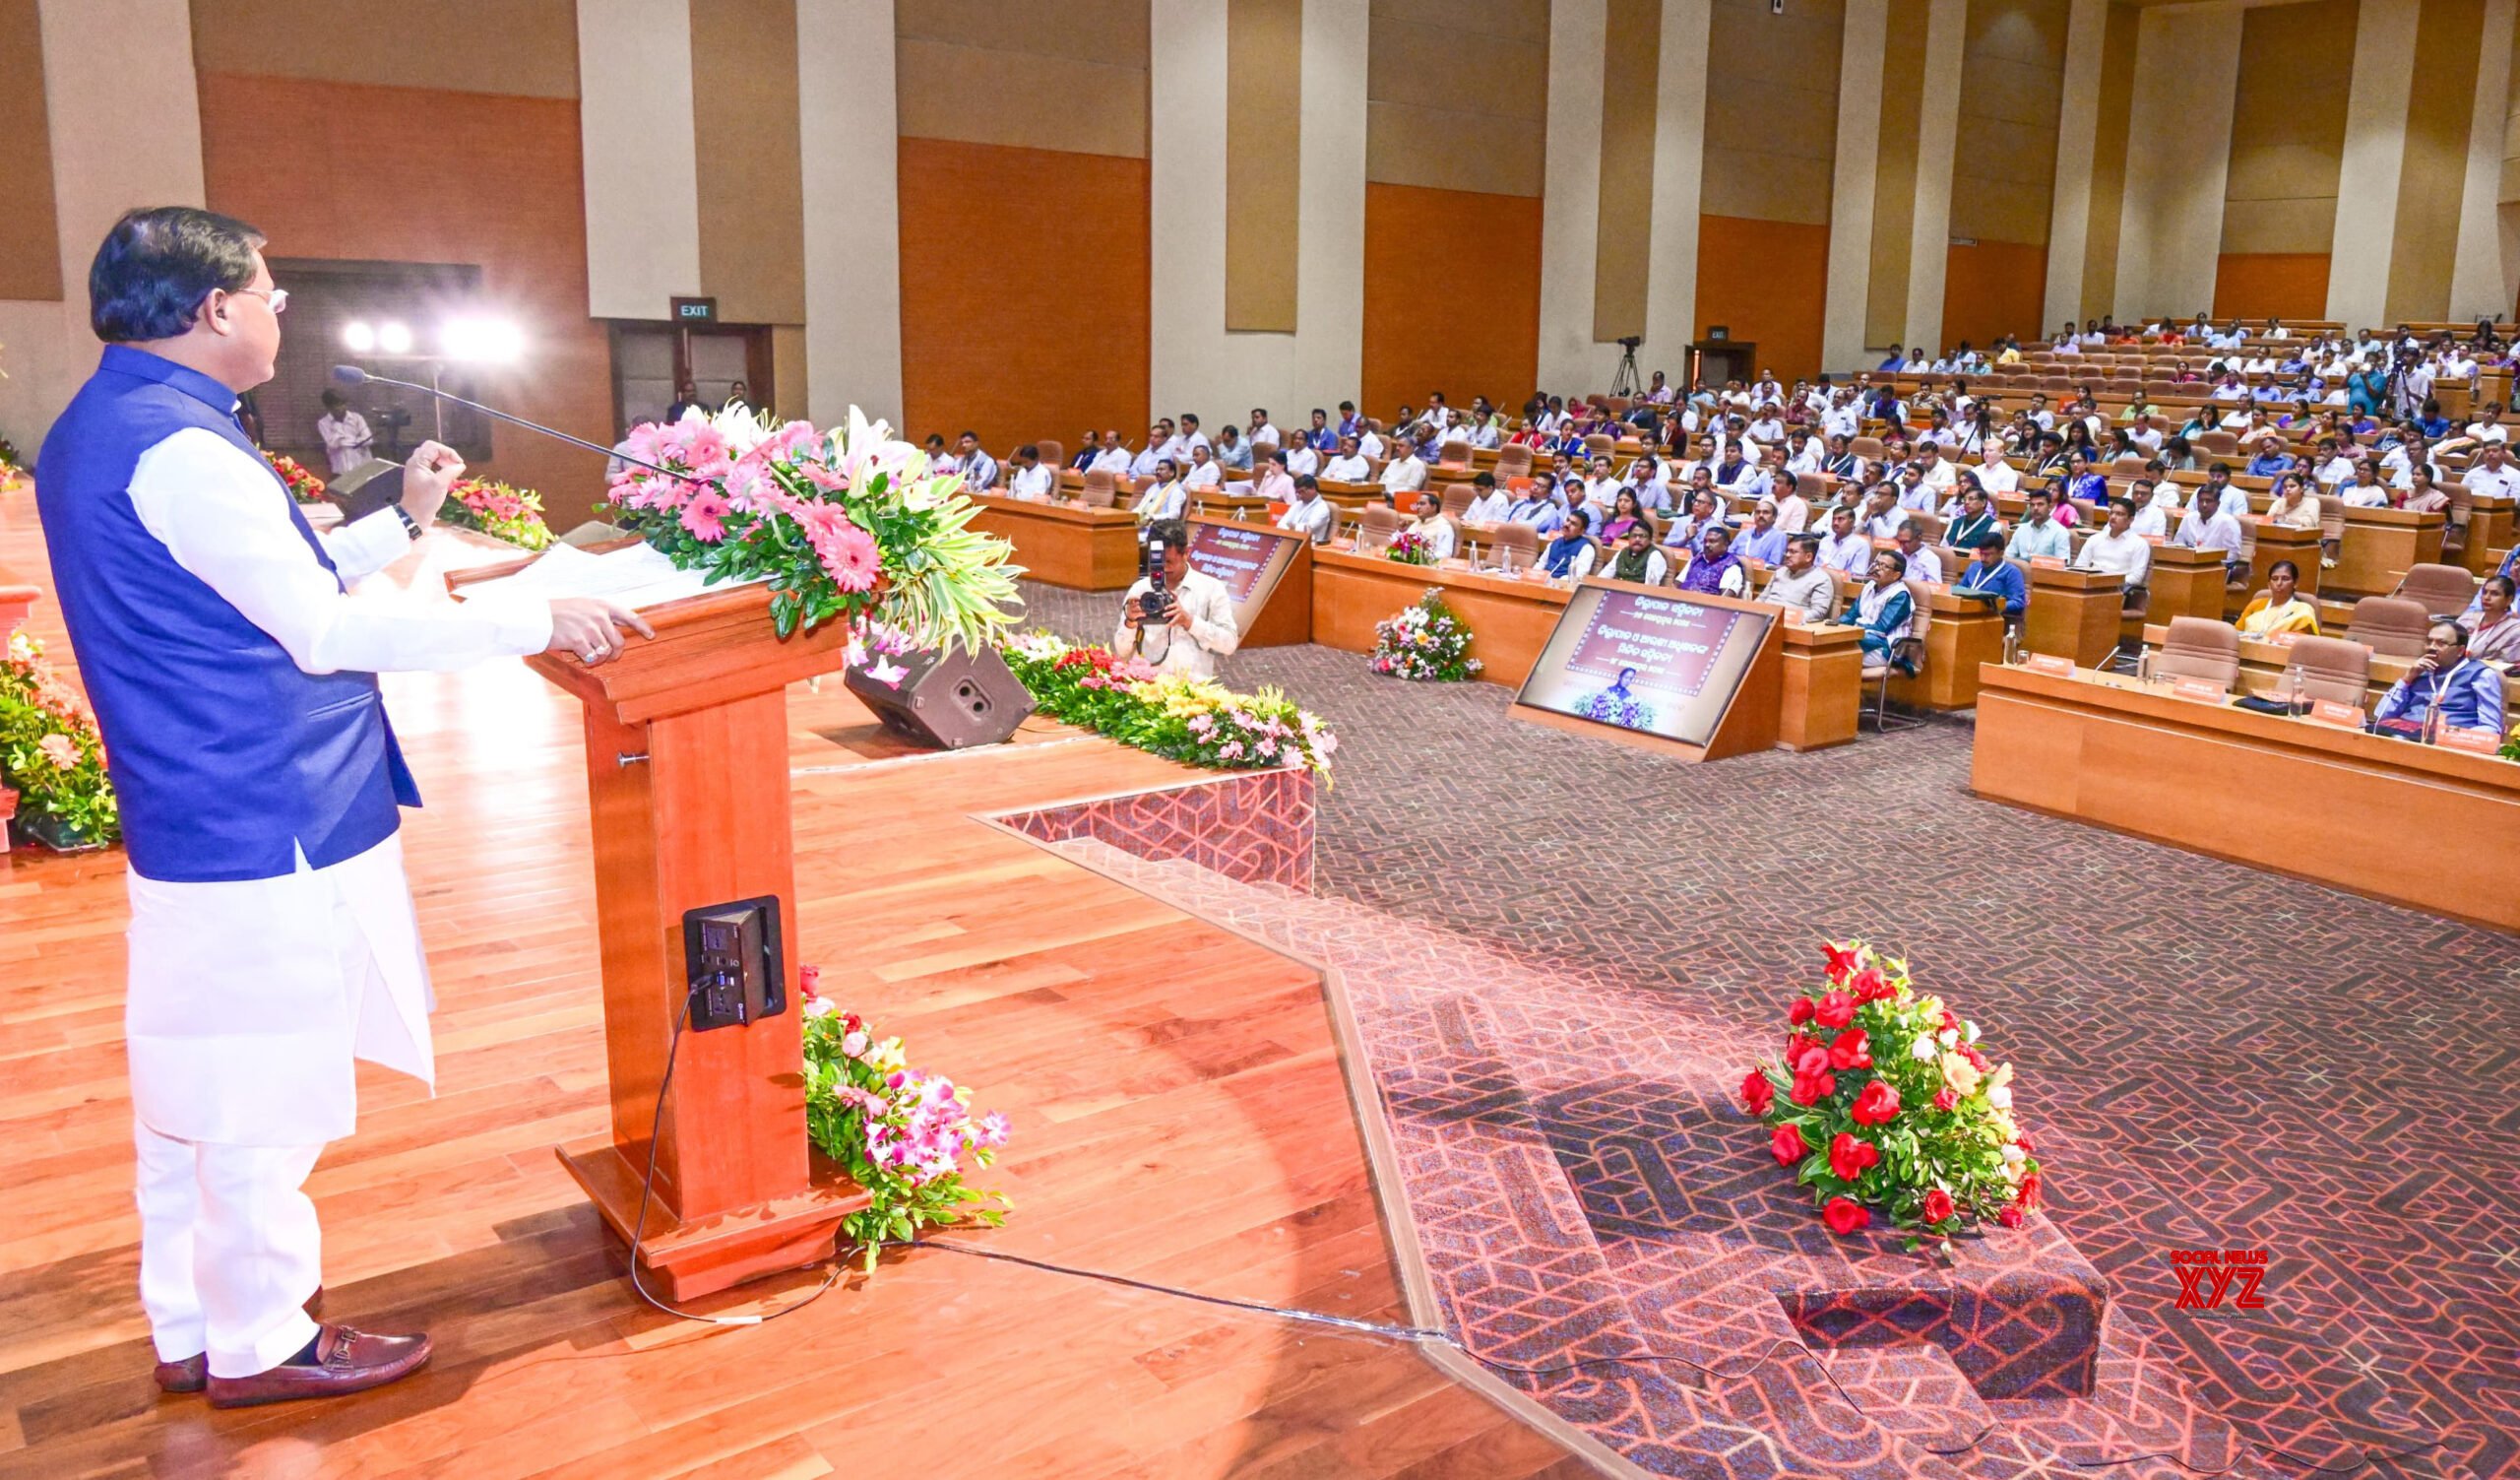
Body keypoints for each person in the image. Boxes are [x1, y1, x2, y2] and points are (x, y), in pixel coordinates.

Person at [34, 206, 650, 1407]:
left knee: (194, 1093)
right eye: (269, 295)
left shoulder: (109, 422)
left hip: (198, 798)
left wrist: (406, 522)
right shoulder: (185, 449)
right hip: (266, 809)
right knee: (259, 1095)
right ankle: (260, 1338)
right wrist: (529, 619)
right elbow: (317, 630)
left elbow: (255, 581)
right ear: (215, 308)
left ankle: (193, 1320)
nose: (279, 315)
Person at [1116, 519, 1239, 679]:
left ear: (1186, 553)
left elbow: (1229, 644)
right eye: (1157, 561)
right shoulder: (1140, 590)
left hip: (1192, 689)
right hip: (1147, 687)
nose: (1163, 568)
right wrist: (1130, 623)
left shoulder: (1211, 589)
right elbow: (1121, 651)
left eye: (1169, 561)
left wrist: (1189, 621)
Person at [2371, 619, 2505, 735]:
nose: (2432, 647)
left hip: (2450, 740)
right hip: (2405, 735)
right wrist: (2407, 679)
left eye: (2441, 643)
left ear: (2460, 650)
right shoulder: (2419, 670)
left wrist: (2457, 737)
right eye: (2429, 641)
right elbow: (2381, 715)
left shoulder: (2481, 675)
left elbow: (2491, 728)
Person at [2073, 497, 2152, 602]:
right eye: (2111, 513)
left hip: (2118, 591)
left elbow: (2136, 578)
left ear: (2131, 519)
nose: (2113, 517)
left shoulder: (2139, 544)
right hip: (2090, 588)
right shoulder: (2095, 539)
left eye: (2119, 514)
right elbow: (2079, 566)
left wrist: (2108, 582)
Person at [1850, 551, 1917, 670]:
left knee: (1839, 655)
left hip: (1886, 647)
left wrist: (1851, 632)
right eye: (1876, 563)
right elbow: (1852, 615)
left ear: (1896, 575)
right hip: (1863, 638)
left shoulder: (1900, 595)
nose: (1876, 568)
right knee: (1833, 648)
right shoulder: (1869, 586)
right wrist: (1834, 627)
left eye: (1883, 566)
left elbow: (1881, 629)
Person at [1760, 534, 1836, 622]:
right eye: (1787, 551)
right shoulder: (1780, 572)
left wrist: (1787, 618)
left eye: (1793, 552)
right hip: (1763, 619)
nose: (1787, 555)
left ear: (1808, 557)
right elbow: (1761, 599)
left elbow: (1818, 612)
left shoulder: (1821, 579)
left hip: (1789, 624)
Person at [2236, 559, 2320, 636]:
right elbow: (2237, 632)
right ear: (2269, 584)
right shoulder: (2256, 605)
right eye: (2275, 579)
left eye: (2285, 579)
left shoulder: (2302, 610)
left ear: (2295, 583)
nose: (2279, 583)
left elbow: (2298, 641)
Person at [1952, 533, 2027, 618]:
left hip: (1993, 617)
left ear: (2001, 553)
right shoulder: (1974, 567)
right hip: (1966, 612)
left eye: (1987, 555)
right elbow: (1960, 589)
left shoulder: (2011, 572)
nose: (1983, 558)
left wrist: (1994, 605)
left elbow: (2018, 602)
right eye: (1981, 553)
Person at [1675, 525, 1747, 597]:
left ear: (1726, 545)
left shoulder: (1731, 566)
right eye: (1705, 541)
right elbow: (1676, 585)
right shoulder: (1696, 559)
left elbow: (1725, 599)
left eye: (1712, 541)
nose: (1707, 545)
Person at [314, 390, 372, 477]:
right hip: (341, 470)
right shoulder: (323, 423)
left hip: (362, 467)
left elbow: (368, 440)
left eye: (341, 404)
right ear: (328, 407)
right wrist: (337, 426)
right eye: (335, 406)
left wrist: (344, 442)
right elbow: (332, 445)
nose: (339, 408)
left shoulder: (357, 418)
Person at [2464, 574, 2519, 664]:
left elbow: (2506, 664)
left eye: (2495, 594)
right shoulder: (2466, 619)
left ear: (2509, 600)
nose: (2487, 597)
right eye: (2484, 592)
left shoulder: (2515, 630)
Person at [2006, 489, 2072, 562]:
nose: (2035, 508)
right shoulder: (2022, 529)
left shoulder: (2060, 532)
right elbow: (2008, 556)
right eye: (2032, 505)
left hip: (2045, 569)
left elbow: (2062, 563)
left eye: (2040, 504)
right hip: (2020, 568)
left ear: (2050, 507)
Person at [1602, 520, 1670, 585]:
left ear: (1650, 539)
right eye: (1634, 536)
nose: (1637, 539)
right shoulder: (1622, 552)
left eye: (1642, 536)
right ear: (1629, 538)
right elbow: (1604, 576)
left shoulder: (1655, 556)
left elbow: (1650, 587)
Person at [1275, 474, 1336, 545]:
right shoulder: (1297, 504)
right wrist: (1292, 528)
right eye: (1297, 492)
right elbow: (1280, 524)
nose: (1300, 496)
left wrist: (1291, 527)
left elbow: (1306, 530)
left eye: (1302, 491)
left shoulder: (1322, 508)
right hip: (1291, 542)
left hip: (1309, 546)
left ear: (1313, 488)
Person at [1816, 503, 1873, 577]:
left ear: (1852, 523)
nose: (1835, 523)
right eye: (1834, 519)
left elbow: (1857, 575)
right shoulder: (1825, 540)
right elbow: (1815, 566)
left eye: (1840, 519)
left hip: (1841, 582)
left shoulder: (1861, 545)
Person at [1540, 507, 1597, 580]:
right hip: (1543, 580)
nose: (1567, 524)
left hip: (1562, 583)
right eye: (1567, 520)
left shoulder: (1587, 549)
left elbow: (1579, 575)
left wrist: (1561, 580)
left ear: (1582, 531)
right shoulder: (1554, 543)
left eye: (1573, 524)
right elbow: (1541, 564)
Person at [1132, 459, 1186, 528]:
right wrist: (1131, 515)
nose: (1158, 472)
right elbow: (1140, 507)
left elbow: (1174, 515)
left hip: (1159, 528)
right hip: (1140, 525)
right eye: (1157, 470)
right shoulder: (1153, 487)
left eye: (1161, 469)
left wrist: (1152, 518)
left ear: (1172, 472)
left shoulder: (1176, 490)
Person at [1407, 490, 1458, 560]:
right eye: (1417, 504)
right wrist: (1400, 531)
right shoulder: (1416, 523)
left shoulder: (1444, 526)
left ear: (1434, 507)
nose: (1418, 507)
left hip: (1430, 563)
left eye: (1422, 504)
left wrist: (1425, 555)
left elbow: (1445, 553)